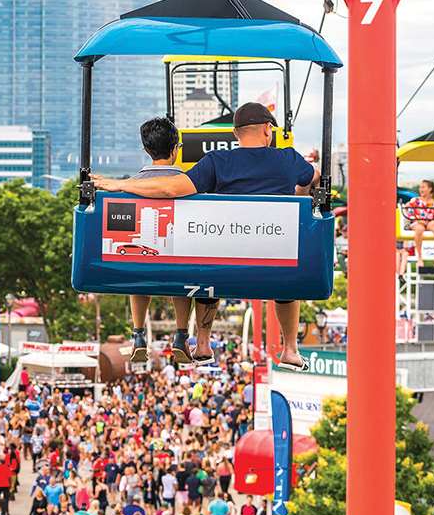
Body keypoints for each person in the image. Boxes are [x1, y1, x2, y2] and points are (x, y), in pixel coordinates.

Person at [92, 102, 319, 372]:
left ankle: (202, 343)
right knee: (287, 286)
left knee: (205, 273)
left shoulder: (218, 162)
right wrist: (300, 194)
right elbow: (313, 177)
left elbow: (171, 190)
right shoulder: (289, 159)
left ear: (236, 134)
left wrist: (120, 184)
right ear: (268, 130)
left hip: (225, 270)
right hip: (275, 269)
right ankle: (290, 349)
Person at [121, 118, 195, 363]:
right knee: (183, 267)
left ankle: (138, 334)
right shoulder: (192, 186)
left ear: (146, 150)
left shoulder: (128, 187)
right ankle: (181, 335)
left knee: (137, 274)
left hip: (143, 259)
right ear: (175, 149)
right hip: (179, 263)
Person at [404, 179, 434, 267]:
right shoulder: (415, 200)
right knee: (419, 229)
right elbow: (409, 213)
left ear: (429, 189)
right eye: (420, 187)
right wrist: (417, 220)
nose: (420, 189)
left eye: (423, 187)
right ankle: (419, 256)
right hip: (418, 222)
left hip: (429, 223)